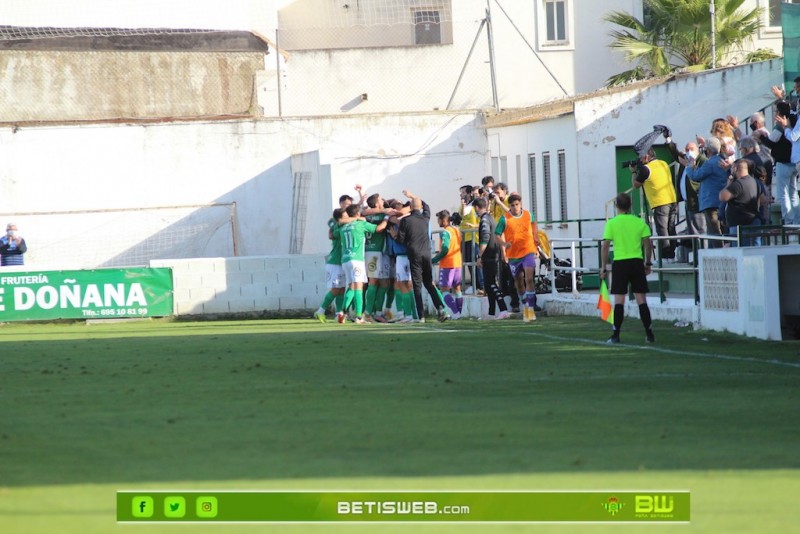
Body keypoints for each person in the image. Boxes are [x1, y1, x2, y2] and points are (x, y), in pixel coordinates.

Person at [600, 193, 655, 344]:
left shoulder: (612, 223)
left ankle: (616, 335)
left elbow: (605, 246)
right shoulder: (639, 222)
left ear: (616, 206)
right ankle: (649, 333)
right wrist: (648, 263)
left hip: (620, 263)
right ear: (630, 205)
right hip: (636, 262)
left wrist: (603, 267)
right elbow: (647, 243)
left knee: (619, 300)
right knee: (641, 299)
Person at [395, 190, 449, 323]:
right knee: (429, 284)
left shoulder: (406, 220)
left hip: (414, 254)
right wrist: (412, 196)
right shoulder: (426, 218)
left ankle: (421, 316)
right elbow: (427, 206)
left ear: (411, 207)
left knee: (417, 285)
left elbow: (400, 240)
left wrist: (394, 235)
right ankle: (440, 308)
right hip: (426, 253)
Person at [333, 204, 388, 324]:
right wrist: (387, 218)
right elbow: (379, 229)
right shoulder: (360, 224)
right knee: (359, 287)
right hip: (356, 259)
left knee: (351, 286)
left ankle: (342, 312)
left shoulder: (343, 227)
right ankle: (359, 317)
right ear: (357, 213)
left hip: (345, 260)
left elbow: (334, 233)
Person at [495, 193, 541, 322]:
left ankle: (530, 309)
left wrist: (535, 235)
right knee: (519, 282)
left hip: (528, 251)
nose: (515, 207)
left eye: (517, 204)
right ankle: (525, 303)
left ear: (520, 204)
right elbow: (497, 234)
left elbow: (533, 222)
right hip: (514, 255)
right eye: (512, 205)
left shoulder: (528, 215)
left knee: (529, 278)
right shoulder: (505, 219)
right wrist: (504, 244)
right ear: (509, 206)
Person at [632, 147, 678, 261]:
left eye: (641, 157)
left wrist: (633, 171)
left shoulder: (646, 169)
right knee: (671, 228)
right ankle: (673, 254)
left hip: (660, 203)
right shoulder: (663, 163)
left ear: (647, 156)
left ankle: (666, 257)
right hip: (672, 199)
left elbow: (636, 185)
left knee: (662, 230)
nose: (640, 159)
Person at [684, 137, 729, 247]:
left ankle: (719, 256)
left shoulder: (710, 163)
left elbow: (695, 176)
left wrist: (690, 165)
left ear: (708, 150)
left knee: (714, 232)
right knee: (721, 231)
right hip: (721, 201)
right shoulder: (723, 159)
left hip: (711, 202)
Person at [757, 101, 797, 224]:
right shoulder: (795, 121)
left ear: (780, 112)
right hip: (793, 162)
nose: (774, 113)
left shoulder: (781, 125)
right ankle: (797, 219)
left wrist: (761, 137)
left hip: (783, 163)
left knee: (784, 193)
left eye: (776, 111)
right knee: (793, 193)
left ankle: (789, 220)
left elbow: (771, 141)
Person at [474, 197, 510, 320]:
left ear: (477, 208)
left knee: (491, 284)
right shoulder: (491, 218)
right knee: (489, 286)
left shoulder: (484, 220)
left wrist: (479, 255)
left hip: (489, 256)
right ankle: (491, 312)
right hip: (494, 254)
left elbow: (485, 238)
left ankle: (503, 309)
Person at [720, 159, 764, 247]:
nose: (731, 171)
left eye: (732, 168)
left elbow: (722, 197)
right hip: (754, 221)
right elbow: (762, 200)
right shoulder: (756, 182)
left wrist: (728, 184)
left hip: (740, 225)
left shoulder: (737, 184)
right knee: (756, 253)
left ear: (736, 169)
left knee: (741, 254)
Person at [432, 210, 463, 319]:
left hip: (447, 264)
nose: (438, 222)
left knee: (444, 289)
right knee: (457, 289)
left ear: (444, 220)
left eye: (438, 219)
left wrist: (435, 259)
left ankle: (455, 313)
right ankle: (459, 313)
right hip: (457, 263)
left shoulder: (445, 232)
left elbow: (445, 248)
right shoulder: (456, 230)